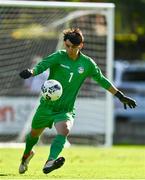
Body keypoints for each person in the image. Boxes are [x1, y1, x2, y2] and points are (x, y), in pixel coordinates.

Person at [19, 28, 137, 174]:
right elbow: (42, 65)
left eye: (73, 47)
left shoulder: (87, 64)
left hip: (65, 109)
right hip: (46, 106)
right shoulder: (58, 56)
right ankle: (26, 155)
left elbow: (102, 80)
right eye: (67, 46)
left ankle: (50, 161)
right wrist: (32, 72)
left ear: (81, 45)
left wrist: (120, 95)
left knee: (64, 130)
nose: (70, 49)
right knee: (33, 135)